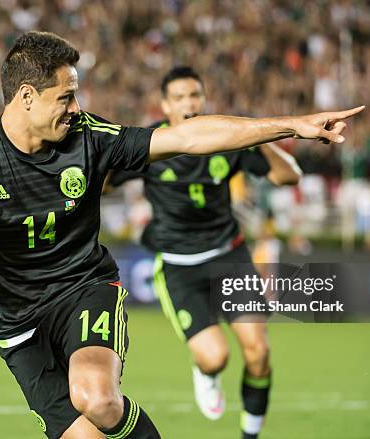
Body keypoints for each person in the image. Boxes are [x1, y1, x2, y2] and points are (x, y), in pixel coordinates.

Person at [0, 31, 362, 439]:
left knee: (98, 398)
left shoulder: (89, 136)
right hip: (17, 324)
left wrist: (293, 125)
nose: (76, 108)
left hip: (81, 289)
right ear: (27, 96)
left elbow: (186, 138)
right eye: (66, 98)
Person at [109, 66, 302, 438]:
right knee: (216, 357)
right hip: (179, 267)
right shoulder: (150, 142)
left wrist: (255, 135)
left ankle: (250, 433)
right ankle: (206, 372)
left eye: (195, 95)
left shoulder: (226, 141)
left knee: (258, 353)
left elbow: (289, 176)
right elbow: (101, 181)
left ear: (204, 99)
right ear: (165, 105)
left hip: (229, 258)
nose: (189, 103)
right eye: (179, 97)